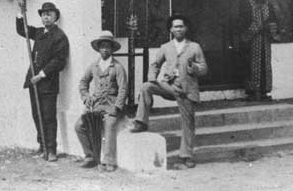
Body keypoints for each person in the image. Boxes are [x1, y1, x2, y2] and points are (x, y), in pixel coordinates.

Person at [130, 14, 208, 170]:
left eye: (181, 26)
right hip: (168, 87)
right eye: (175, 27)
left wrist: (195, 69)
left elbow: (204, 68)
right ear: (170, 29)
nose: (178, 29)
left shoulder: (194, 47)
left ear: (186, 28)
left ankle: (186, 156)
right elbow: (154, 65)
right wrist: (152, 77)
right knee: (146, 86)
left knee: (188, 123)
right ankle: (141, 122)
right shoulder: (165, 47)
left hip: (186, 90)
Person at [16, 0, 69, 162]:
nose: (46, 17)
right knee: (36, 115)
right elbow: (21, 30)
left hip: (47, 84)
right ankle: (42, 146)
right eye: (43, 15)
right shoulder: (39, 33)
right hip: (33, 82)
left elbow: (59, 61)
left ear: (55, 17)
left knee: (48, 116)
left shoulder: (60, 36)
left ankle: (51, 150)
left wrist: (41, 75)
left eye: (49, 14)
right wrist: (20, 11)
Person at [74, 31, 127, 173]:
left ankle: (108, 161)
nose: (104, 49)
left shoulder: (118, 67)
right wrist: (86, 97)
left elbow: (123, 88)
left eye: (107, 47)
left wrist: (117, 106)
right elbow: (83, 82)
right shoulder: (94, 66)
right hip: (96, 104)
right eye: (102, 46)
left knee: (109, 126)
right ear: (98, 48)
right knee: (79, 125)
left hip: (111, 104)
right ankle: (90, 156)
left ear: (112, 49)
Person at [245, 0, 280, 101]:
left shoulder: (269, 6)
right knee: (252, 65)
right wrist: (256, 28)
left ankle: (264, 91)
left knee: (265, 64)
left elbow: (274, 21)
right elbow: (243, 23)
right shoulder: (249, 5)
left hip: (265, 39)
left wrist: (269, 28)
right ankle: (252, 92)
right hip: (253, 40)